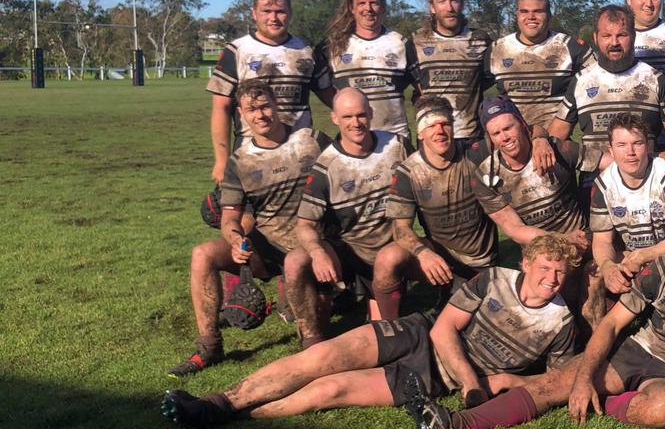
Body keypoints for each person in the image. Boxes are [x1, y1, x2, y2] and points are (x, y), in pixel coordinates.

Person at [407, 193, 665, 429]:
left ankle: (609, 400)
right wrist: (585, 379)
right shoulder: (659, 269)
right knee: (556, 385)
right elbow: (613, 325)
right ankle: (455, 423)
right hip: (638, 351)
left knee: (662, 410)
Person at [160, 235, 581, 426]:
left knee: (328, 391)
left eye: (560, 272)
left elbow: (553, 380)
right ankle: (217, 402)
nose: (551, 278)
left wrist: (510, 379)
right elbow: (443, 331)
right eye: (545, 267)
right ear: (526, 264)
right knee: (318, 359)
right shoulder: (493, 279)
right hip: (421, 334)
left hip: (435, 378)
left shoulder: (561, 321)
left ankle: (240, 415)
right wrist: (474, 386)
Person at [169, 80, 330, 376]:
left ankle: (311, 346)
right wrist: (234, 239)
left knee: (298, 269)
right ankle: (209, 345)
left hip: (313, 246)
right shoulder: (239, 162)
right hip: (266, 247)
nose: (261, 115)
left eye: (266, 105)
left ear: (277, 105)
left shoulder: (313, 140)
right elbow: (230, 217)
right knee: (202, 254)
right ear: (241, 114)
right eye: (252, 109)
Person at [285, 88, 410, 345]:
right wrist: (318, 254)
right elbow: (305, 224)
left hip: (390, 252)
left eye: (362, 115)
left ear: (371, 113)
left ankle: (384, 300)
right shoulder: (326, 167)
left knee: (382, 335)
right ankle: (312, 339)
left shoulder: (397, 146)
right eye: (348, 117)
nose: (356, 123)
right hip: (348, 253)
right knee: (295, 260)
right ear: (334, 119)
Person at [546, 5, 665, 196]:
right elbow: (558, 133)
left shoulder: (654, 79)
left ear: (633, 36)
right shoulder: (582, 80)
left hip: (646, 184)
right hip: (595, 184)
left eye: (622, 35)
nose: (614, 42)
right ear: (596, 38)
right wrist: (540, 139)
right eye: (607, 36)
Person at [375, 97, 499, 319]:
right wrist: (423, 253)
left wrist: (539, 139)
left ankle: (452, 295)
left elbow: (519, 129)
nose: (439, 130)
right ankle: (390, 326)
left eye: (445, 124)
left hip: (480, 263)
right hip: (439, 260)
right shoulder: (408, 171)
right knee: (388, 257)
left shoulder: (475, 151)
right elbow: (400, 230)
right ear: (420, 133)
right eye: (431, 125)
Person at [207, 0, 329, 184]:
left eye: (280, 11)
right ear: (254, 13)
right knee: (247, 215)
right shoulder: (237, 50)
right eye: (266, 11)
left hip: (299, 152)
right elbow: (221, 107)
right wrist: (221, 161)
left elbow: (329, 94)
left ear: (289, 13)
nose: (273, 18)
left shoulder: (306, 50)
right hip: (251, 152)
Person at [584, 114, 665, 324]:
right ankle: (598, 338)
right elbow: (602, 241)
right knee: (594, 272)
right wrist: (608, 266)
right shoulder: (603, 184)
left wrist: (645, 255)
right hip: (631, 257)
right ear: (610, 150)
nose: (630, 152)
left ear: (647, 145)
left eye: (637, 143)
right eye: (621, 145)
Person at [470, 96, 587, 251]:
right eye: (496, 133)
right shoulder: (484, 177)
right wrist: (563, 240)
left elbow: (606, 162)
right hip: (539, 252)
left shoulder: (554, 149)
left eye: (508, 128)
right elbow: (514, 228)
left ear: (523, 125)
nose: (504, 138)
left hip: (582, 240)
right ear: (490, 139)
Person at [315, 0, 417, 138]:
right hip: (353, 140)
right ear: (352, 8)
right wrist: (344, 108)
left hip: (395, 137)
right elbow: (321, 87)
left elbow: (421, 87)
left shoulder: (401, 43)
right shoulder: (331, 46)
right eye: (361, 3)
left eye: (374, 3)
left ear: (383, 7)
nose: (368, 9)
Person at [485, 0, 594, 130]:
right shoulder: (497, 49)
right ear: (517, 16)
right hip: (512, 141)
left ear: (549, 16)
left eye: (538, 12)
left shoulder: (570, 46)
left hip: (555, 140)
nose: (531, 17)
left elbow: (597, 81)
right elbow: (476, 88)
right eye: (524, 11)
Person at [412, 0, 494, 144]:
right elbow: (412, 80)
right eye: (441, 1)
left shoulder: (480, 40)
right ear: (432, 8)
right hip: (432, 137)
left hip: (470, 137)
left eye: (454, 0)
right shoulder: (417, 42)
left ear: (461, 4)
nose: (449, 8)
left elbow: (488, 78)